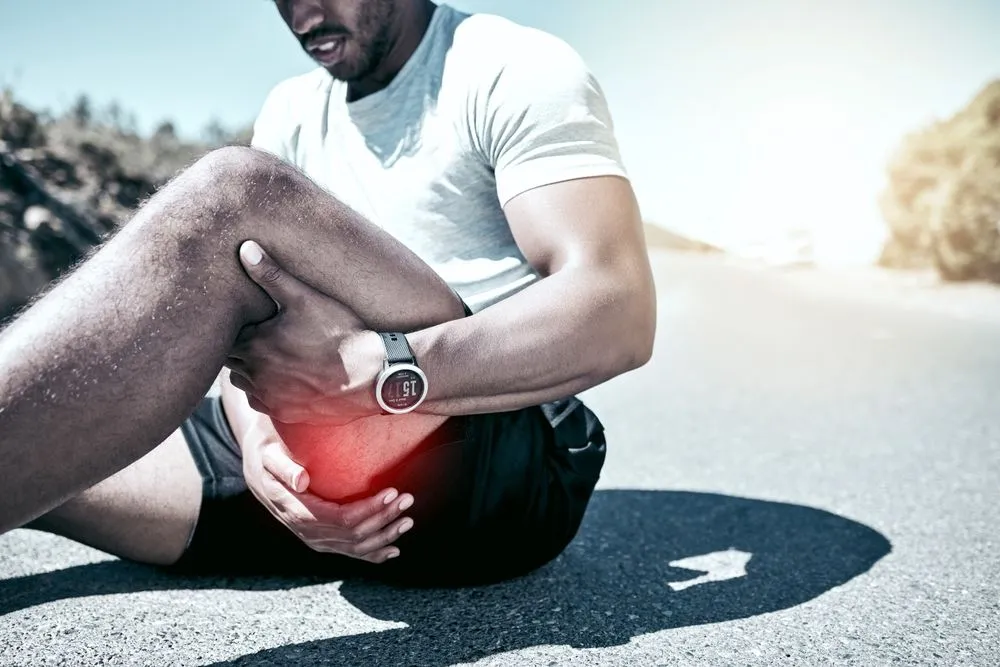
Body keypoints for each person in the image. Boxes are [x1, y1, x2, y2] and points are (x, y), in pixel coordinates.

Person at [1, 0, 656, 586]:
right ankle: (287, 503)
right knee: (40, 457)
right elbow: (245, 313)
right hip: (317, 431)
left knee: (232, 194)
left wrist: (385, 370)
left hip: (494, 454)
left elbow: (618, 308)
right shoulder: (293, 108)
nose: (303, 14)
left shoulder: (511, 66)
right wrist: (259, 449)